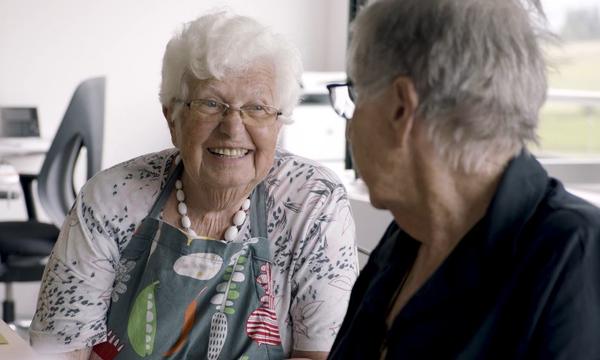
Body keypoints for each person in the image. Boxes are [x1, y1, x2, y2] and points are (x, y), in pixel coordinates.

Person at [29, 11, 358, 360]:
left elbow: (321, 356)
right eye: (211, 104)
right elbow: (59, 351)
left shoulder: (313, 203)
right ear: (172, 117)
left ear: (279, 123)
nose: (233, 127)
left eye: (257, 108)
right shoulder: (111, 198)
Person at [326, 0, 600, 358]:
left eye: (355, 95)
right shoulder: (409, 234)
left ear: (400, 108)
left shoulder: (574, 256)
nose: (349, 124)